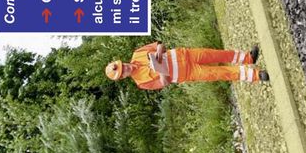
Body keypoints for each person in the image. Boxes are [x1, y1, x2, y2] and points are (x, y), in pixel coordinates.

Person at [106, 42, 268, 89]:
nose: (126, 68)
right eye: (123, 72)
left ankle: (248, 58)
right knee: (219, 73)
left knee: (217, 54)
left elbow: (160, 45)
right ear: (123, 77)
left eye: (123, 66)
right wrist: (161, 69)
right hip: (188, 72)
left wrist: (158, 54)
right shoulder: (141, 83)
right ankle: (254, 75)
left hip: (185, 54)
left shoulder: (137, 53)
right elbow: (164, 83)